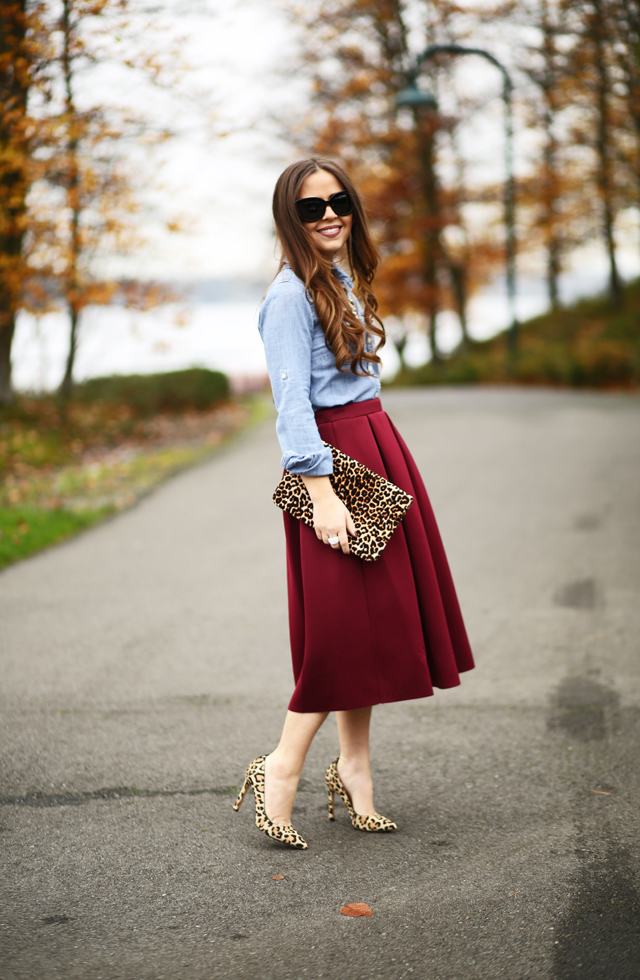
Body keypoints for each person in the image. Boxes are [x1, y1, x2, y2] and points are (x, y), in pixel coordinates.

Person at [233, 157, 474, 849]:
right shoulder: (287, 297)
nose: (329, 214)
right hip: (334, 465)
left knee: (369, 630)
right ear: (291, 218)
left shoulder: (343, 279)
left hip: (373, 447)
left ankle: (357, 771)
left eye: (338, 201)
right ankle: (280, 768)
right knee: (339, 632)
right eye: (312, 208)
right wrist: (321, 492)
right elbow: (291, 407)